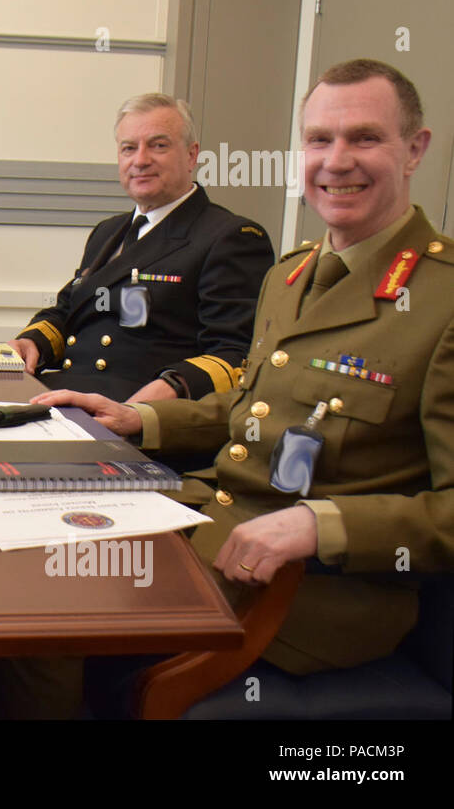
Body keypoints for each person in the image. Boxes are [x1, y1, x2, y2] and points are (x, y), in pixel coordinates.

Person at [38, 59, 452, 693]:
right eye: (319, 140)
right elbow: (252, 409)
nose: (336, 161)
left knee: (39, 631)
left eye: (364, 138)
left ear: (415, 150)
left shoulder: (441, 301)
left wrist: (323, 523)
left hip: (306, 594)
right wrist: (139, 419)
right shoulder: (290, 276)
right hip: (207, 522)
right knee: (32, 559)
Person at [8, 94, 274, 403]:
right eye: (129, 148)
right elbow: (71, 309)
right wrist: (33, 342)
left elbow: (234, 353)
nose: (141, 160)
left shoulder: (232, 236)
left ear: (191, 155)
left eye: (158, 145)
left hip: (137, 414)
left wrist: (171, 388)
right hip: (65, 394)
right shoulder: (108, 231)